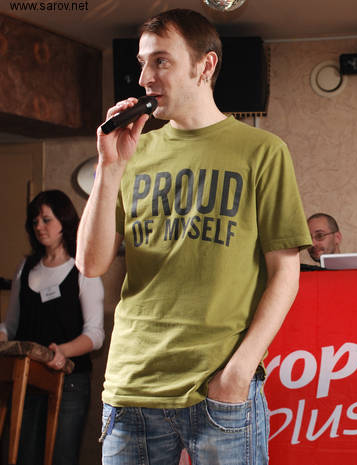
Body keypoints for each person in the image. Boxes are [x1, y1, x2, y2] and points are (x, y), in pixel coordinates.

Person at [75, 8, 310, 464]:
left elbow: (286, 273)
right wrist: (109, 166)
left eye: (161, 61)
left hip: (220, 388)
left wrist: (239, 371)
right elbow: (90, 263)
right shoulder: (132, 152)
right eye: (142, 63)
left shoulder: (262, 151)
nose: (145, 77)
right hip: (132, 388)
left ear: (206, 65)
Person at [0, 189, 104, 465]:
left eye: (46, 220)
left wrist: (62, 352)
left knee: (61, 457)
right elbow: (11, 325)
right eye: (35, 221)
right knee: (23, 456)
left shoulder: (82, 269)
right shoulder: (25, 267)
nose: (39, 226)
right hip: (25, 381)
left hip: (69, 382)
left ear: (64, 221)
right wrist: (2, 336)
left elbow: (95, 334)